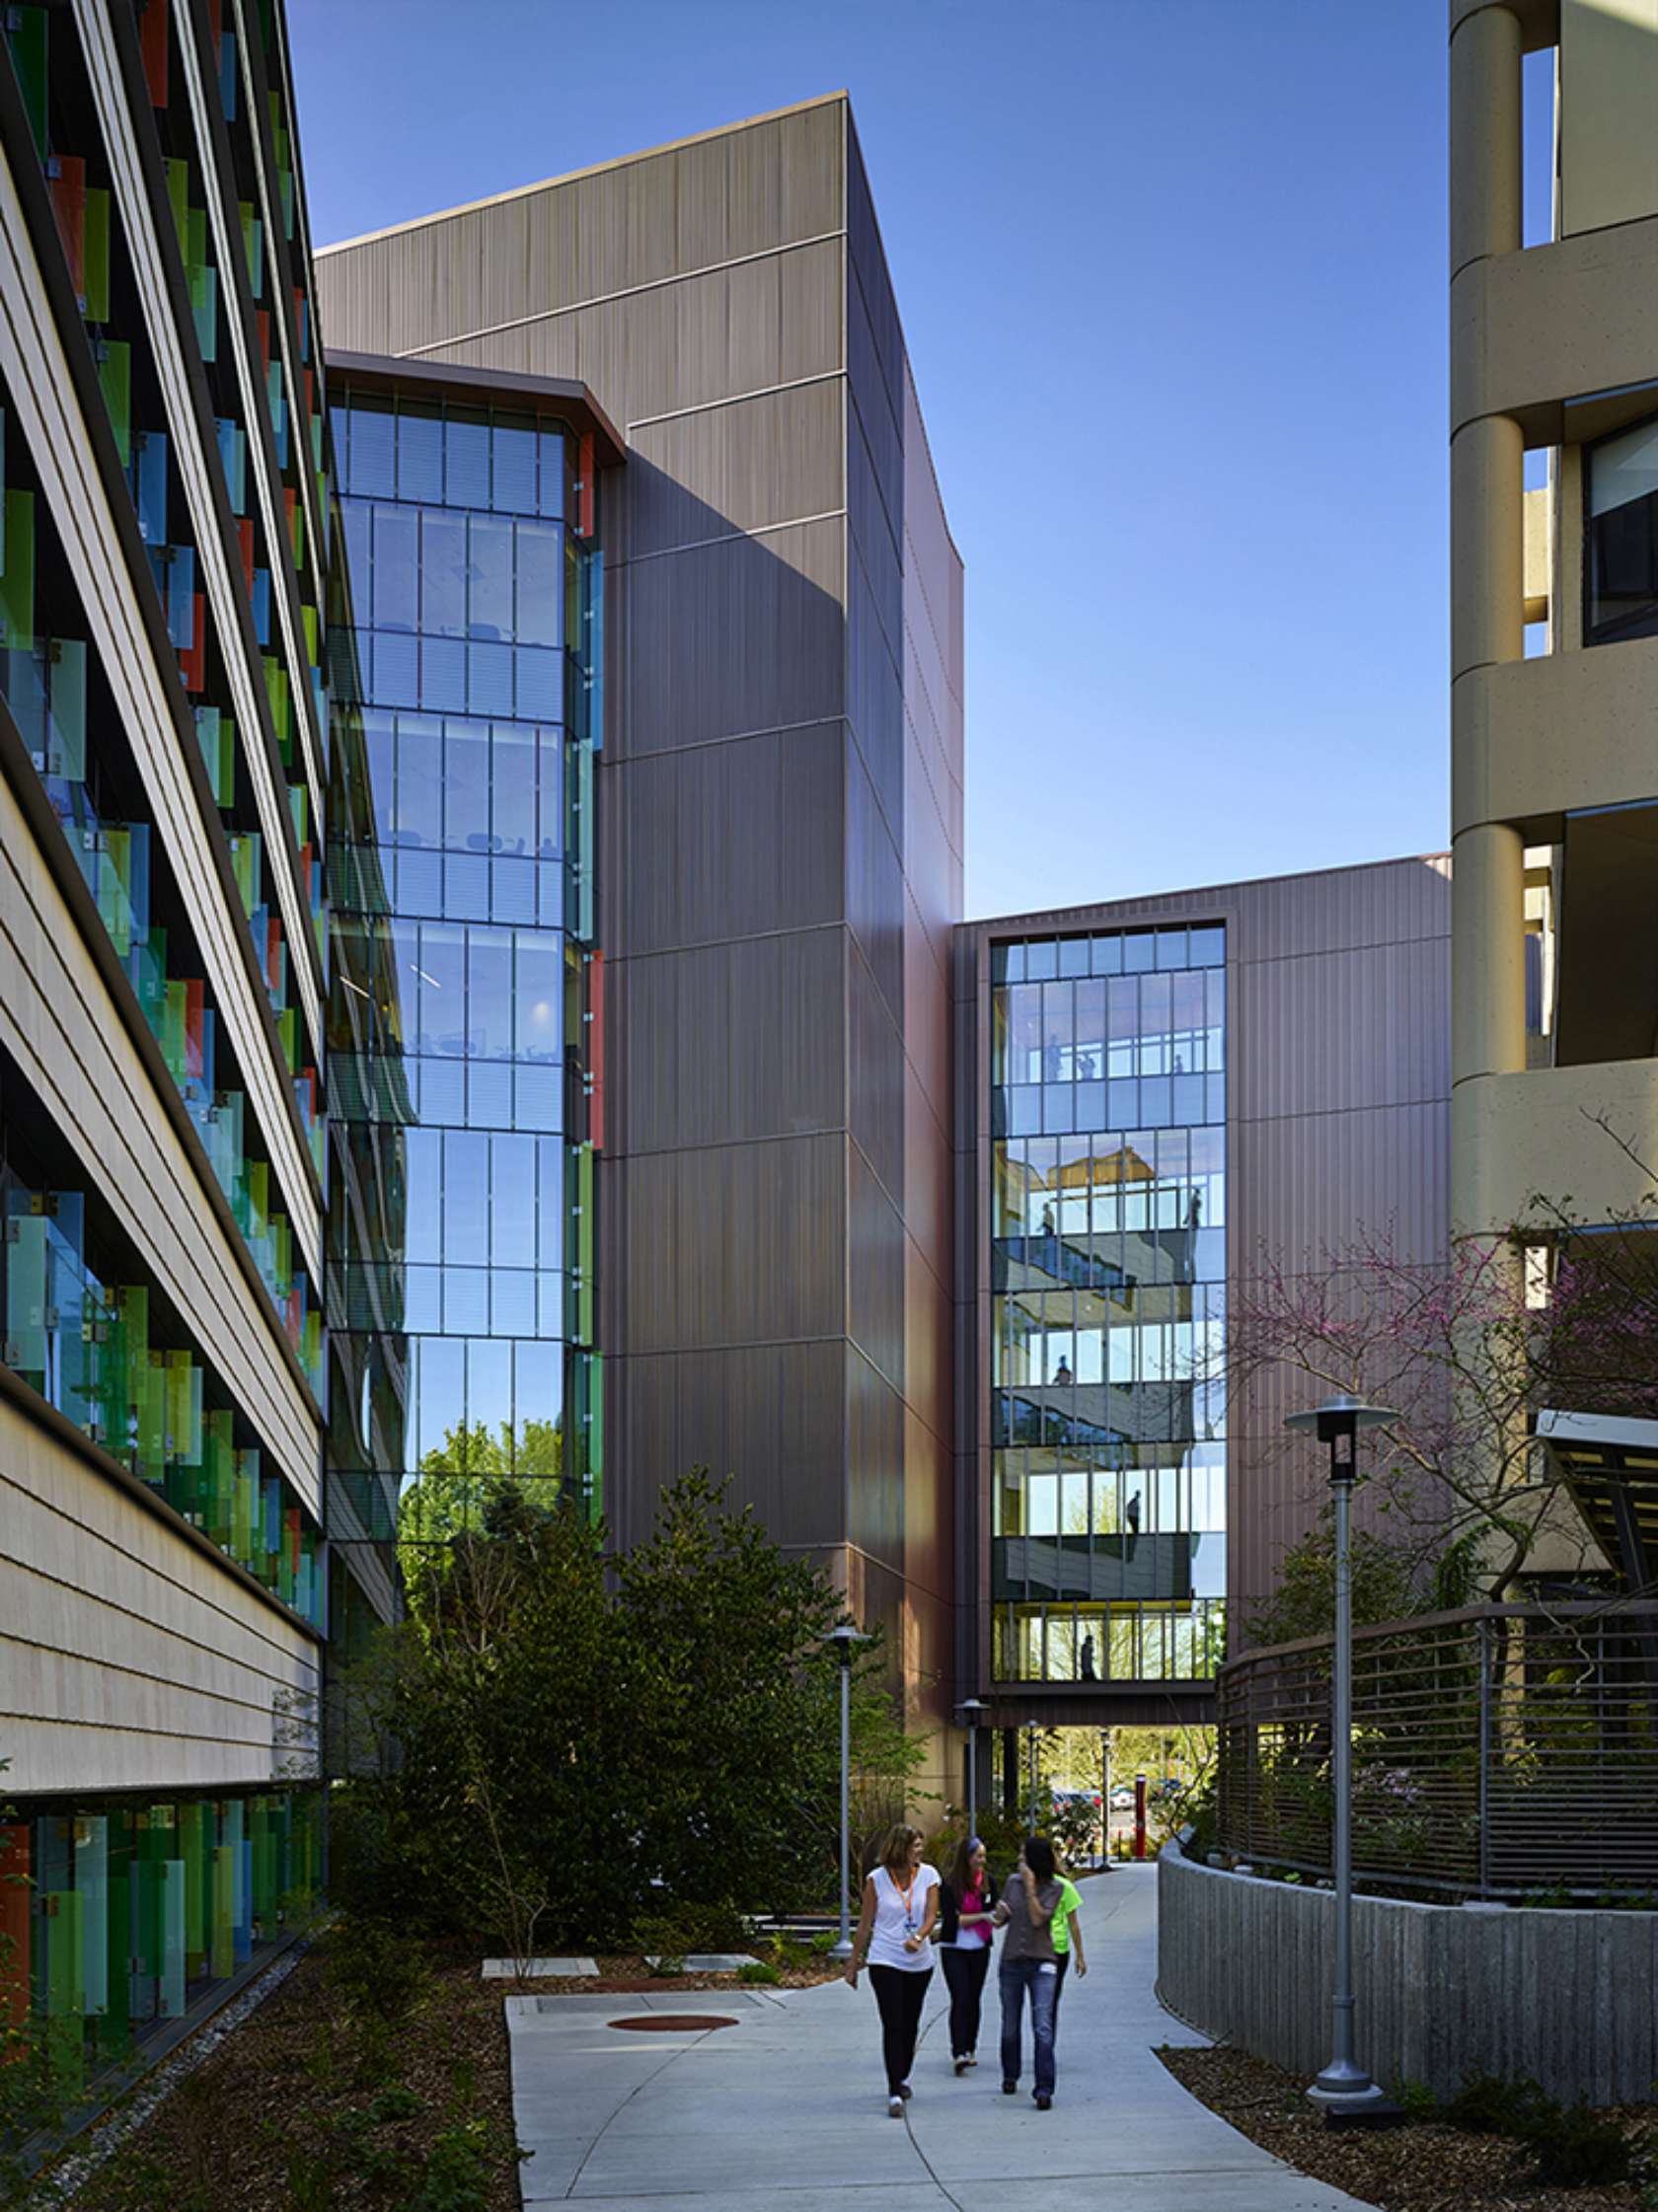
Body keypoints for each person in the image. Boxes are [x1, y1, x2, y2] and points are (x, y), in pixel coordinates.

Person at [846, 1822, 940, 2117]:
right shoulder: (876, 1880)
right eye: (915, 1846)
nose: (920, 1851)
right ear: (901, 1848)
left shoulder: (928, 1875)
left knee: (910, 2023)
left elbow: (931, 1915)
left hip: (919, 1960)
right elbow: (865, 1924)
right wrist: (853, 1962)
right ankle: (894, 2089)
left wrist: (919, 1937)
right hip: (885, 1958)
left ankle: (903, 2074)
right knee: (893, 2023)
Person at [992, 1834, 1062, 2109]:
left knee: (1042, 2026)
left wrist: (1031, 1888)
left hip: (1042, 1963)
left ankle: (1044, 2088)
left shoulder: (1054, 1888)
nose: (1019, 1860)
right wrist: (999, 1912)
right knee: (1010, 2024)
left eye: (1024, 1855)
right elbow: (1000, 1921)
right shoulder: (1011, 1883)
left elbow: (1037, 1919)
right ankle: (1010, 2073)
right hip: (1011, 1962)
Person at [936, 1835, 998, 2074]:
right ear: (967, 1858)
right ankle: (958, 2050)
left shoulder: (989, 1883)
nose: (981, 1860)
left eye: (983, 1856)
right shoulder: (950, 1885)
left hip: (979, 1947)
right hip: (955, 1948)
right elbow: (954, 1920)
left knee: (974, 1998)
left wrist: (1001, 1915)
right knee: (960, 1997)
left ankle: (971, 2046)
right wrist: (982, 1917)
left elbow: (995, 1912)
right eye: (977, 1856)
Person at [1050, 1864, 1088, 2020]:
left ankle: (1045, 2036)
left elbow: (1074, 1924)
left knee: (1048, 1999)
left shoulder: (1063, 1886)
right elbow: (1074, 1925)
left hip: (1056, 1948)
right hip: (1052, 1948)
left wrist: (1080, 1955)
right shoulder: (1030, 1884)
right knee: (1049, 1999)